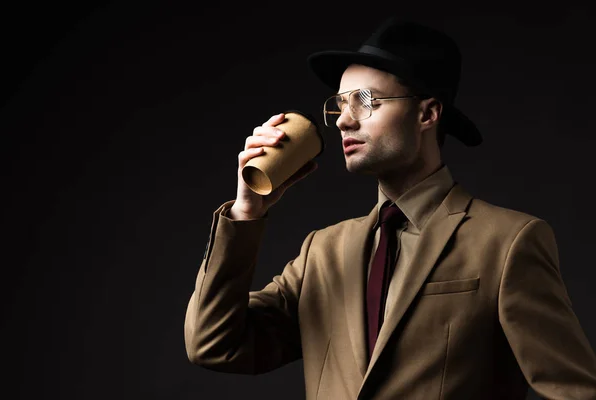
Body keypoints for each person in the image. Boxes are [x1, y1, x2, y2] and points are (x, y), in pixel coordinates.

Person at [184, 17, 596, 399]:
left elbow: (576, 391)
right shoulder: (322, 252)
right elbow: (214, 344)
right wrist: (246, 212)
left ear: (428, 113)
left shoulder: (507, 242)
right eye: (340, 105)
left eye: (365, 102)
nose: (345, 121)